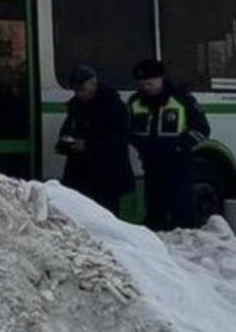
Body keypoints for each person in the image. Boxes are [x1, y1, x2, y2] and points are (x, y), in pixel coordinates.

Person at [127, 58, 211, 231]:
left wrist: (180, 146)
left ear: (160, 79)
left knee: (182, 216)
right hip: (151, 166)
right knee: (154, 214)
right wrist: (141, 145)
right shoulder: (135, 102)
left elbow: (202, 129)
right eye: (143, 84)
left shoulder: (181, 99)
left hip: (179, 165)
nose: (146, 88)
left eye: (150, 83)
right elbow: (129, 130)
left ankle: (186, 252)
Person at [54, 64, 134, 214]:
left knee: (106, 214)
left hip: (106, 175)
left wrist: (89, 145)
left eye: (81, 89)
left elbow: (120, 139)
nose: (78, 94)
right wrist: (66, 143)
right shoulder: (76, 106)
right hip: (81, 173)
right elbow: (67, 130)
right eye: (76, 90)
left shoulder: (113, 106)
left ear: (93, 83)